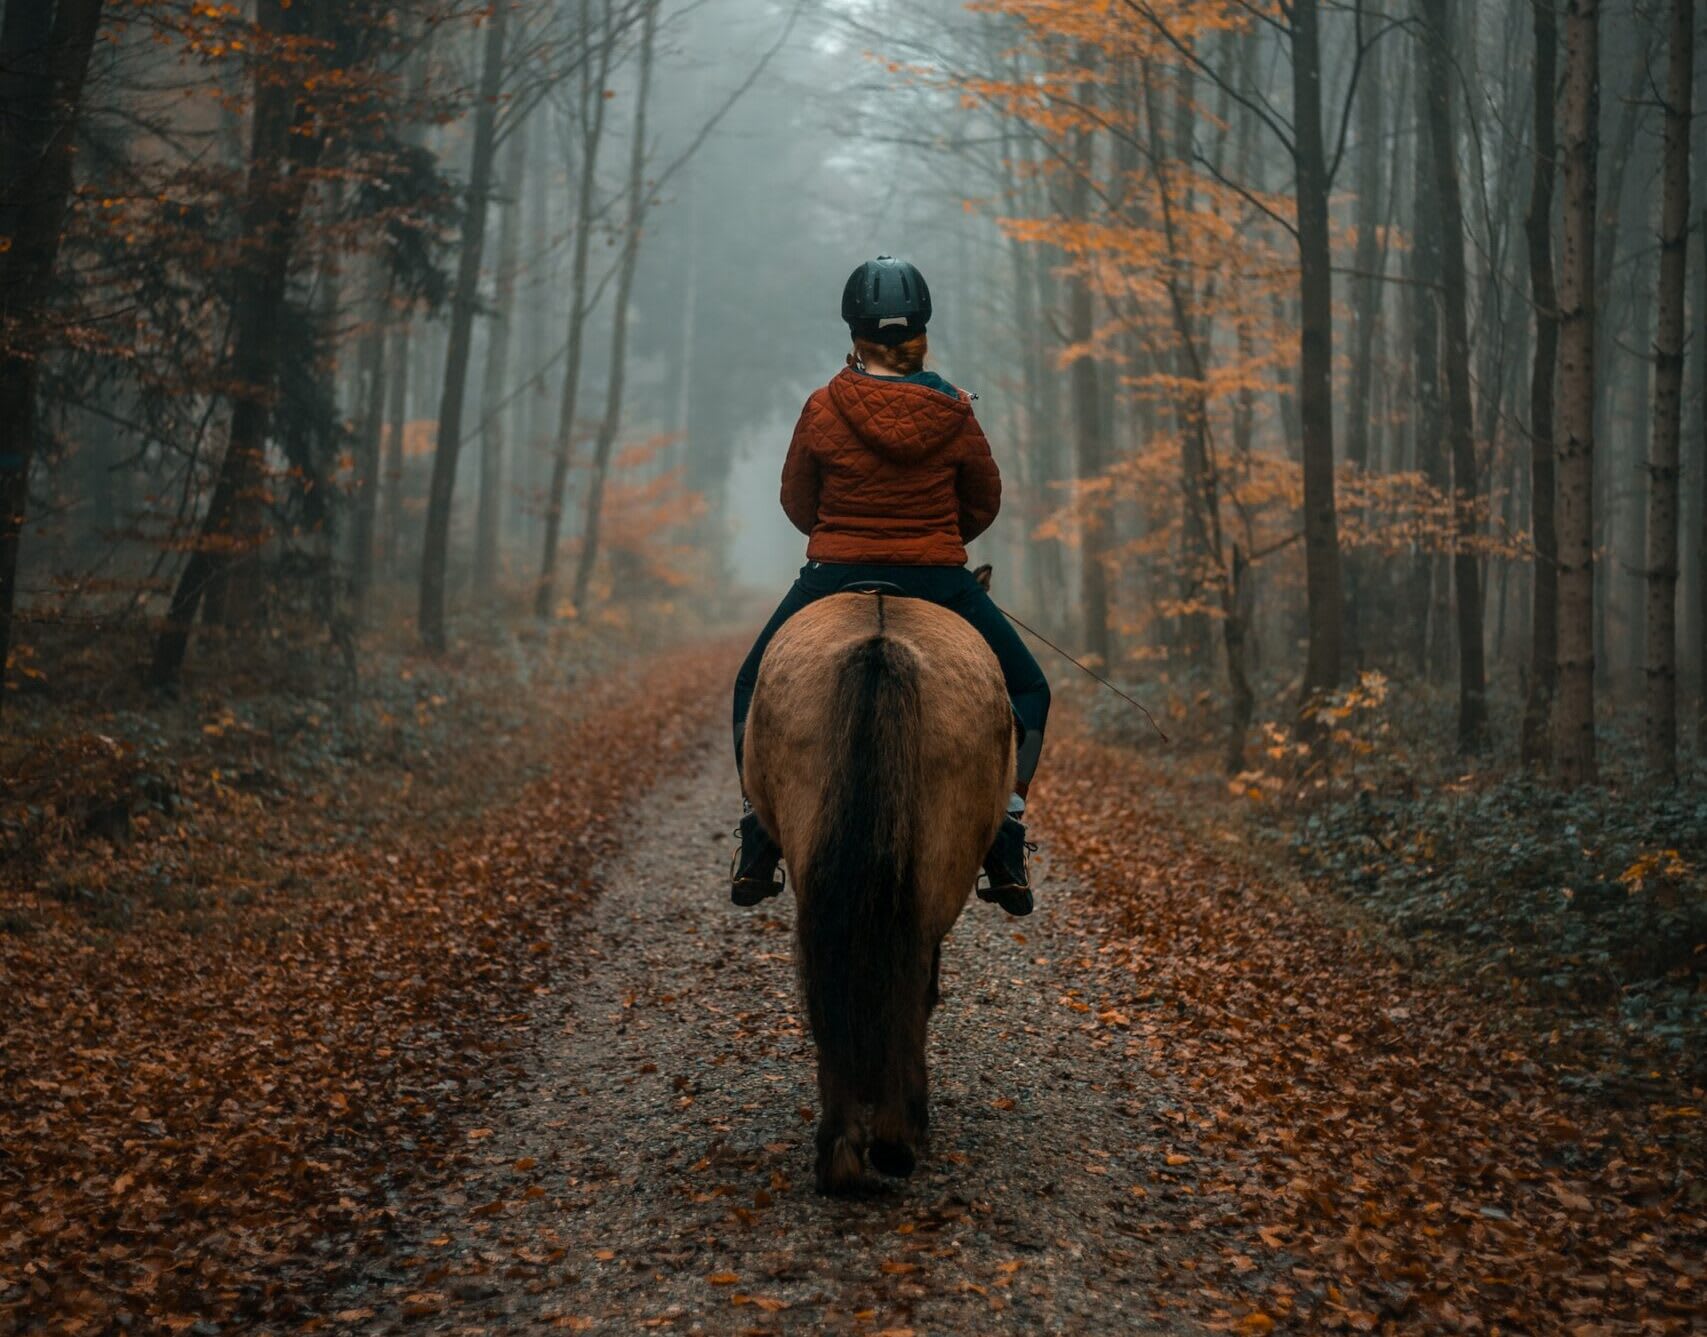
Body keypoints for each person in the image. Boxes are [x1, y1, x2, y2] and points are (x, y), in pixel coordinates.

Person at [730, 255, 1050, 916]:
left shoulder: (822, 406)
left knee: (749, 684)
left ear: (854, 330)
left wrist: (839, 530)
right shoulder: (955, 411)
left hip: (834, 575)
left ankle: (759, 837)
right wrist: (937, 537)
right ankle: (1006, 833)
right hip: (937, 580)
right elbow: (983, 502)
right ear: (920, 331)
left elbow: (796, 501)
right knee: (1028, 687)